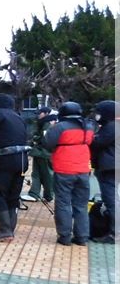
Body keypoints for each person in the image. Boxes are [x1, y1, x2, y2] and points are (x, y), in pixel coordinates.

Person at [45, 101, 94, 246]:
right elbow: (91, 142)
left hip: (64, 169)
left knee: (63, 203)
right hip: (83, 169)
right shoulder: (88, 126)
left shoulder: (59, 127)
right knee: (81, 204)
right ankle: (82, 237)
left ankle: (65, 236)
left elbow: (47, 143)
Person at [0, 94, 28, 243]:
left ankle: (4, 231)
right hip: (23, 159)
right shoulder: (18, 116)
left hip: (5, 158)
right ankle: (10, 230)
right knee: (13, 195)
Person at [90, 100, 116, 243]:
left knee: (111, 200)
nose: (97, 115)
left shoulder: (112, 126)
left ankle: (114, 233)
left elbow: (98, 142)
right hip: (110, 166)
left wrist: (92, 137)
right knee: (112, 199)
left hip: (109, 168)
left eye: (99, 112)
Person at [23, 107, 56, 202]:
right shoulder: (44, 122)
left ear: (46, 113)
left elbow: (46, 138)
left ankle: (49, 195)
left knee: (47, 175)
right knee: (36, 174)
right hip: (39, 152)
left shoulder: (48, 123)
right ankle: (34, 194)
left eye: (40, 113)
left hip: (45, 153)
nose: (38, 115)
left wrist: (35, 138)